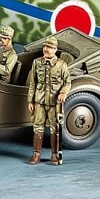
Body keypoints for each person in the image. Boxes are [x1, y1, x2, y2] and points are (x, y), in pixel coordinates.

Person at [27, 36, 71, 166]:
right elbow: (32, 83)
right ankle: (36, 153)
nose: (46, 49)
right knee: (37, 127)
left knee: (55, 128)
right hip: (39, 100)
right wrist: (30, 101)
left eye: (50, 47)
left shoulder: (61, 65)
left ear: (55, 49)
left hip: (54, 102)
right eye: (45, 47)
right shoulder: (36, 63)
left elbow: (67, 82)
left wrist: (63, 92)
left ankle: (54, 154)